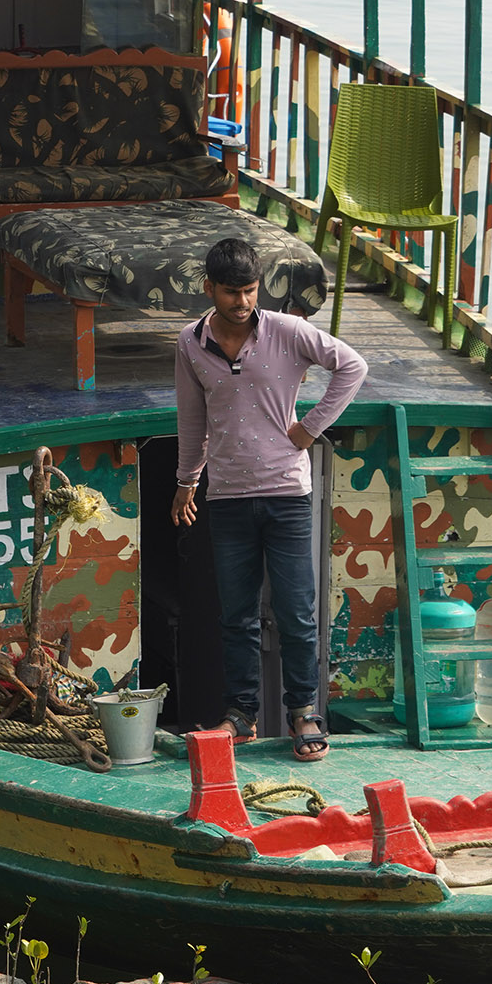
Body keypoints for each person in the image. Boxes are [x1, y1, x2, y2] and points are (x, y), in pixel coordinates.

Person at [172, 235, 367, 762]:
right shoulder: (190, 343)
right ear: (209, 288)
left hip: (287, 495)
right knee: (235, 616)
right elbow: (192, 420)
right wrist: (186, 482)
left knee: (296, 613)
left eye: (250, 291)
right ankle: (241, 715)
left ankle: (305, 712)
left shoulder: (289, 330)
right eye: (231, 292)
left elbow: (352, 367)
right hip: (227, 497)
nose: (242, 302)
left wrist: (310, 428)